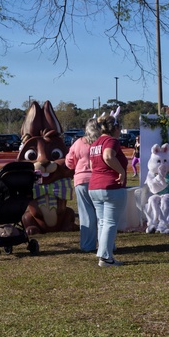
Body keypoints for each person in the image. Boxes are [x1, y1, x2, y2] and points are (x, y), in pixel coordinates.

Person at [88, 114, 127, 267]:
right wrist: (122, 172)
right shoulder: (111, 141)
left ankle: (104, 253)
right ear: (115, 128)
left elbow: (92, 166)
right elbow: (108, 156)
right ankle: (105, 257)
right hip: (111, 186)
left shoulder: (94, 143)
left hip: (94, 186)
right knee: (110, 222)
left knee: (102, 222)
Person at [64, 118, 101, 252]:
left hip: (81, 181)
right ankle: (106, 244)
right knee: (102, 214)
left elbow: (69, 162)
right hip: (99, 180)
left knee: (86, 214)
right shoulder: (102, 142)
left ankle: (87, 245)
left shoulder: (78, 143)